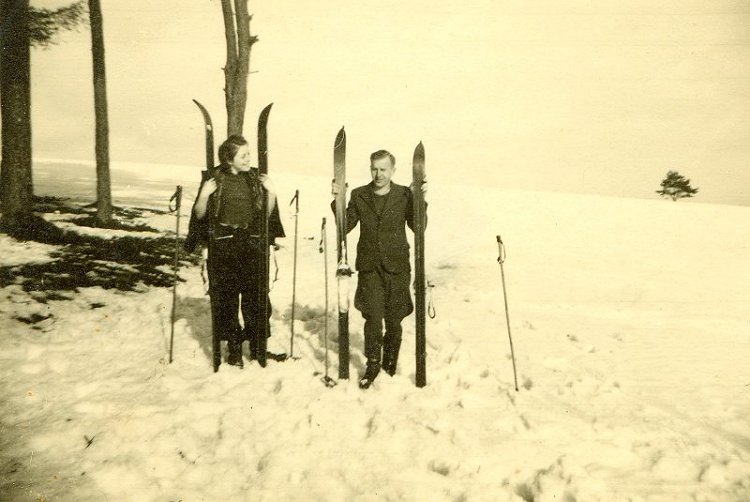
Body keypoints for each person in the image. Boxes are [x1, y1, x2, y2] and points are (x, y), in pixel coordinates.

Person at [186, 134, 285, 369]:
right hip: (224, 245)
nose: (248, 158)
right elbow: (199, 214)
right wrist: (204, 195)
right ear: (229, 159)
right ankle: (233, 349)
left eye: (249, 153)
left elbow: (267, 215)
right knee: (226, 299)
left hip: (251, 244)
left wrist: (271, 192)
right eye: (243, 155)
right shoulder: (214, 179)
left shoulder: (254, 178)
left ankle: (258, 347)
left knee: (257, 299)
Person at [332, 149, 426, 389]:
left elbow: (419, 227)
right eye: (374, 168)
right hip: (370, 266)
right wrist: (338, 200)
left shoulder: (405, 194)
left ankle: (390, 362)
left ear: (393, 170)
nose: (378, 174)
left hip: (397, 266)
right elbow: (347, 224)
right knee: (373, 317)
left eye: (383, 169)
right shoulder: (360, 194)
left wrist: (420, 202)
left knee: (394, 319)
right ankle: (373, 363)